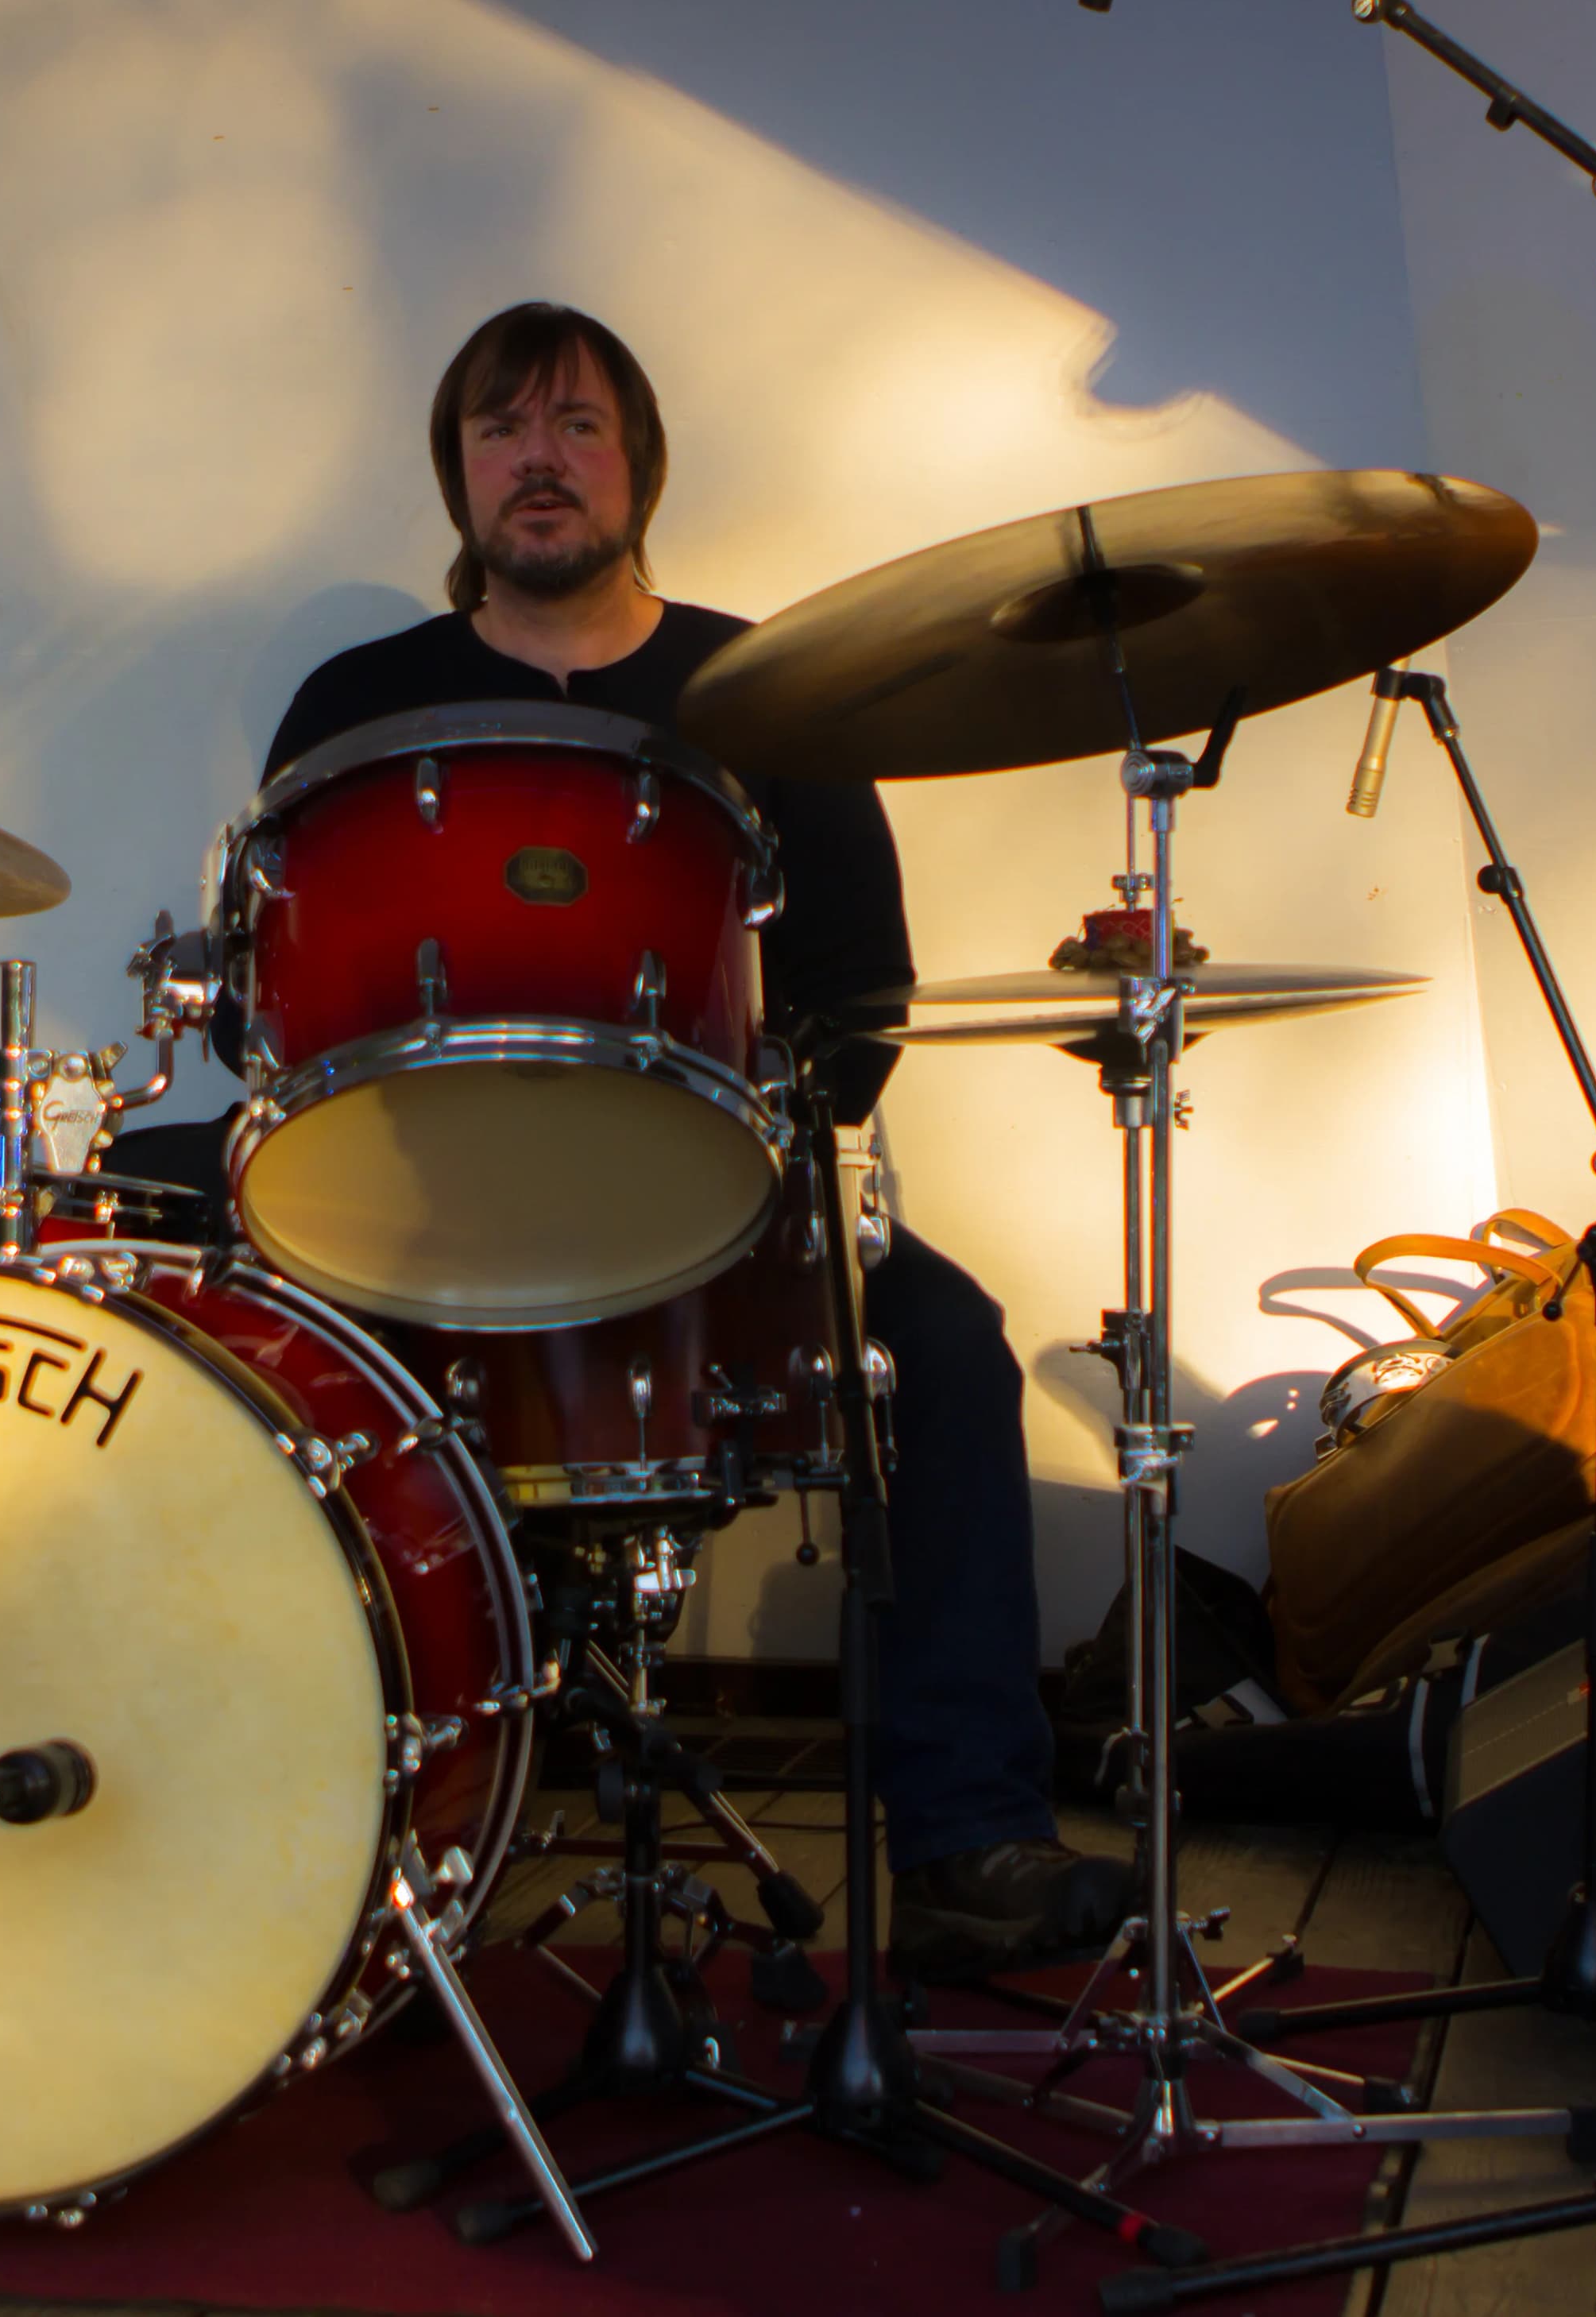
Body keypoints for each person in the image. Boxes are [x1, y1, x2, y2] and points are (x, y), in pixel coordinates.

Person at [133, 303, 1126, 1981]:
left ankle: (968, 1842)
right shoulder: (360, 703)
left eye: (577, 426)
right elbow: (274, 1003)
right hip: (406, 1202)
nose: (539, 459)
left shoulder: (770, 693)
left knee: (944, 1349)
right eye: (500, 430)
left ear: (640, 466)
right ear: (456, 476)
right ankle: (201, 1803)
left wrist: (734, 1157)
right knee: (133, 1238)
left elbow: (854, 998)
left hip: (709, 1200)